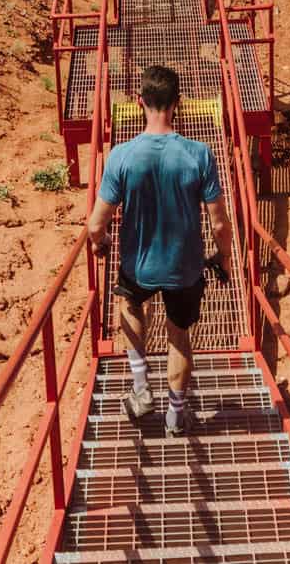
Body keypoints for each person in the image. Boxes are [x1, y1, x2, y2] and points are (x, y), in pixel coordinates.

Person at [86, 64, 231, 437]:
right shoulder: (200, 154)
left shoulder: (122, 155)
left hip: (139, 266)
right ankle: (175, 416)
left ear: (139, 103)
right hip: (186, 268)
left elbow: (95, 224)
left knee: (130, 304)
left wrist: (100, 245)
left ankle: (140, 386)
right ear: (178, 104)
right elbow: (218, 222)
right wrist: (223, 258)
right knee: (179, 337)